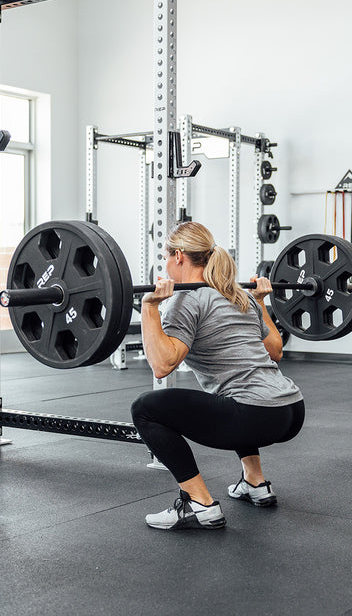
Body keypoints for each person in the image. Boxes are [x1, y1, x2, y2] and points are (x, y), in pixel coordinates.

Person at [131, 221, 305, 530]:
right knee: (231, 392)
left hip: (254, 415)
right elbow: (276, 351)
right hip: (291, 410)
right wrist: (262, 303)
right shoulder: (240, 295)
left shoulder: (188, 299)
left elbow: (163, 365)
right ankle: (255, 481)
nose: (167, 264)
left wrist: (150, 308)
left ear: (180, 256)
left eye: (167, 257)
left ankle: (198, 503)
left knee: (145, 408)